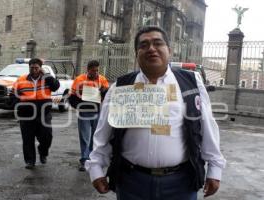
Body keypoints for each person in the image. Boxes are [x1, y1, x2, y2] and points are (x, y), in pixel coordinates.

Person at [86, 26, 226, 199]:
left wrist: (215, 168)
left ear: (169, 50)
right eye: (144, 45)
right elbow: (102, 134)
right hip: (131, 183)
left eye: (157, 43)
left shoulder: (190, 83)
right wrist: (95, 167)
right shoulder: (120, 87)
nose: (151, 48)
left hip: (181, 184)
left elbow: (207, 127)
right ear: (136, 54)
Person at [12, 58, 60, 169]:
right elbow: (13, 96)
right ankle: (30, 161)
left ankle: (43, 152)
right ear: (29, 67)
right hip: (26, 115)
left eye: (36, 68)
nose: (34, 70)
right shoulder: (21, 80)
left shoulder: (47, 79)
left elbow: (56, 86)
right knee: (28, 139)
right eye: (32, 68)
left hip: (44, 114)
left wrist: (47, 76)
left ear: (40, 68)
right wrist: (19, 105)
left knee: (47, 137)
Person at [68, 60, 109, 171]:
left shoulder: (102, 79)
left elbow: (108, 95)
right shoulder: (80, 79)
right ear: (88, 70)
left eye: (97, 70)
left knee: (95, 137)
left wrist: (105, 90)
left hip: (97, 112)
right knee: (85, 137)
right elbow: (71, 96)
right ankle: (84, 159)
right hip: (84, 112)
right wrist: (78, 106)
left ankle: (92, 158)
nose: (95, 73)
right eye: (93, 70)